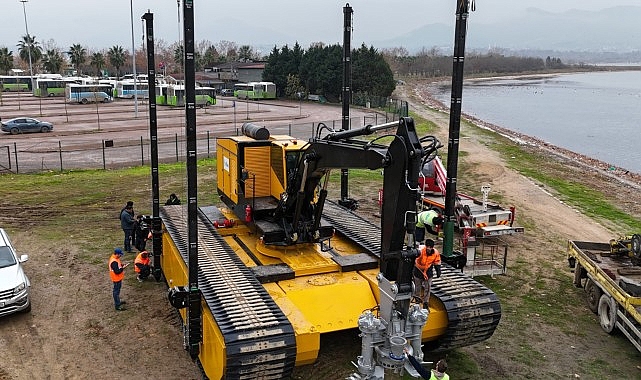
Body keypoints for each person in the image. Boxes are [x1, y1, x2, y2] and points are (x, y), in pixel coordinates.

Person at [413, 238, 442, 309]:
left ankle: (426, 303)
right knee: (417, 287)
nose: (429, 249)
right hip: (418, 271)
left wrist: (438, 271)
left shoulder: (435, 253)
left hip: (428, 272)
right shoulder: (420, 251)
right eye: (427, 247)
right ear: (426, 246)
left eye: (430, 247)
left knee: (428, 288)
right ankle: (417, 301)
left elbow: (437, 262)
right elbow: (415, 262)